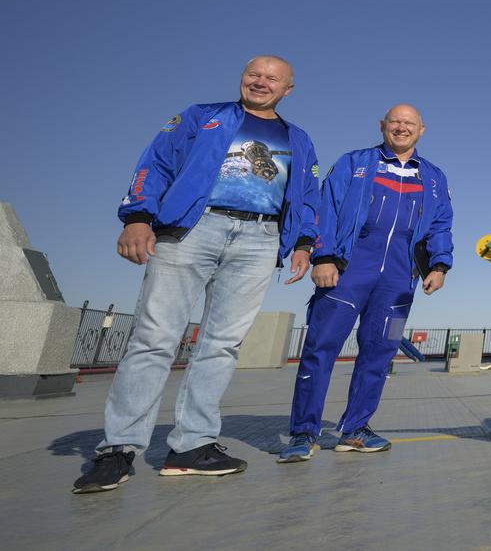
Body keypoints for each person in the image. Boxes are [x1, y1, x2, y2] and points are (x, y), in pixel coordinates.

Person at [73, 56, 319, 494]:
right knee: (154, 338)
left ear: (288, 89)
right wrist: (137, 217)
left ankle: (191, 446)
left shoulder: (298, 139)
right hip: (192, 229)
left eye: (271, 78)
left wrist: (303, 244)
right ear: (242, 78)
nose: (260, 82)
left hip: (260, 240)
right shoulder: (202, 116)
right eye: (254, 74)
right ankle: (118, 449)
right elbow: (157, 162)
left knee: (222, 344)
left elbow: (306, 196)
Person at [278, 104, 453, 462]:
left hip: (398, 279)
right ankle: (303, 432)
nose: (401, 128)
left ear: (421, 130)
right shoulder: (353, 163)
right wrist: (323, 256)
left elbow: (441, 224)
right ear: (382, 126)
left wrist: (439, 265)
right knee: (320, 348)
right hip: (348, 270)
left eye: (409, 123)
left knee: (380, 352)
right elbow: (326, 207)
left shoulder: (433, 177)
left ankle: (355, 429)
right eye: (395, 122)